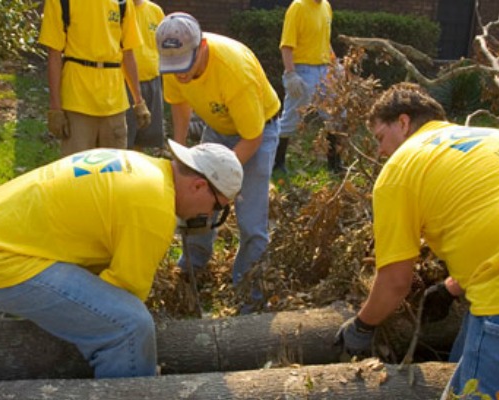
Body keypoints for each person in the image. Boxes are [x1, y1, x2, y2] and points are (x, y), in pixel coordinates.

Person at [334, 82, 499, 399]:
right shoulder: (494, 137)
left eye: (380, 138)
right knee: (472, 337)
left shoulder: (400, 169)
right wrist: (450, 288)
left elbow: (395, 282)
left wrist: (362, 325)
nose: (380, 151)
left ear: (403, 122)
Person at [0, 140, 243, 378]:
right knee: (130, 328)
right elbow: (126, 294)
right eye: (217, 207)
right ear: (198, 186)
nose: (209, 216)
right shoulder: (154, 209)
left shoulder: (141, 165)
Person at [155, 12, 281, 304]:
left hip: (257, 131)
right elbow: (180, 104)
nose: (180, 74)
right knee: (197, 201)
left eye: (185, 65)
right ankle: (192, 269)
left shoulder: (234, 71)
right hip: (218, 126)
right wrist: (181, 153)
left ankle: (250, 292)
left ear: (201, 48)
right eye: (174, 67)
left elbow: (253, 137)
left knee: (250, 219)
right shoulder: (174, 63)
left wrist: (217, 178)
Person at [39, 0, 151, 156]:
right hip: (78, 101)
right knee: (77, 172)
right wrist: (55, 108)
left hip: (115, 103)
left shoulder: (123, 3)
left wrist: (139, 101)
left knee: (113, 172)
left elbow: (128, 53)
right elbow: (54, 54)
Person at [274, 0, 340, 173]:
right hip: (303, 70)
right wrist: (290, 74)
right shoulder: (298, 7)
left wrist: (335, 64)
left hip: (325, 69)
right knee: (291, 118)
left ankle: (335, 165)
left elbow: (325, 41)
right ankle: (276, 163)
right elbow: (286, 45)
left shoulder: (326, 6)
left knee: (335, 115)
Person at [125, 0, 165, 151]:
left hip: (152, 81)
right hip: (125, 82)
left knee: (146, 135)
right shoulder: (119, 7)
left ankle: (138, 169)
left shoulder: (156, 11)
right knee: (126, 135)